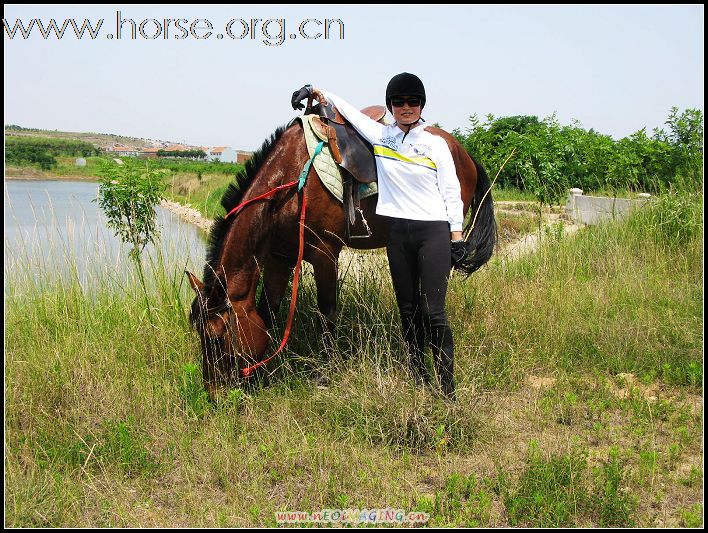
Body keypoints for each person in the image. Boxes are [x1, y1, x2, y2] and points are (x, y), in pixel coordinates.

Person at [292, 73, 466, 400]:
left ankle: (448, 391)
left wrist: (456, 236)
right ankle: (418, 374)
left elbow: (451, 191)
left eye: (412, 101)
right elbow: (352, 115)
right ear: (390, 105)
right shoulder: (382, 136)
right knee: (408, 309)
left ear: (422, 105)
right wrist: (320, 91)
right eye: (398, 102)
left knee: (434, 313)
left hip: (432, 232)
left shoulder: (435, 143)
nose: (405, 107)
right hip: (397, 234)